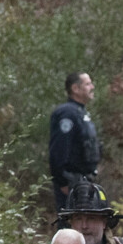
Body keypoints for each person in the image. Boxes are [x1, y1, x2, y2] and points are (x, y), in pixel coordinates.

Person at [50, 72, 101, 210]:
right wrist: (63, 183)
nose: (92, 86)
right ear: (75, 89)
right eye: (88, 84)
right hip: (72, 182)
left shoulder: (81, 113)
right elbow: (58, 150)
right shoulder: (67, 113)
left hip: (85, 182)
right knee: (71, 227)